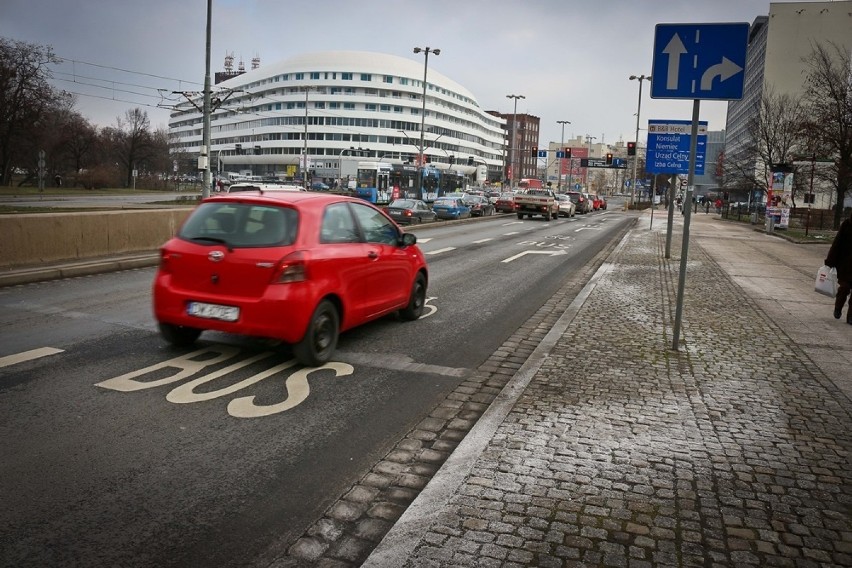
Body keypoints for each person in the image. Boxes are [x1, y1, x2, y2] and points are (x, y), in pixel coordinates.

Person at [825, 213, 852, 323]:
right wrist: (830, 261)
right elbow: (837, 243)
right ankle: (838, 307)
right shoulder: (847, 224)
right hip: (846, 264)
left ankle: (851, 316)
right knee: (844, 288)